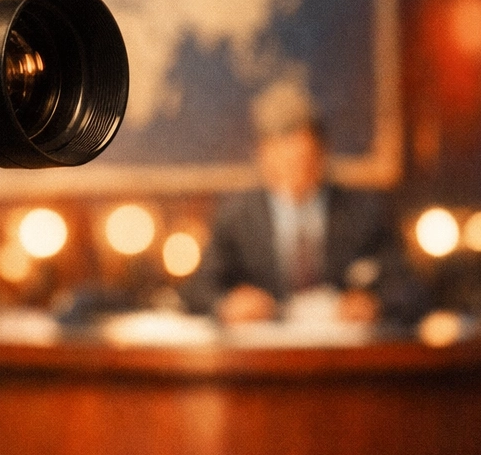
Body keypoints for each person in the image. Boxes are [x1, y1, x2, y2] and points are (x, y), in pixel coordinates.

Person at [183, 80, 426, 326]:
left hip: (341, 346)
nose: (296, 167)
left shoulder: (363, 213)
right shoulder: (237, 217)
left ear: (322, 152)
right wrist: (228, 305)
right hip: (264, 346)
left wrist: (374, 303)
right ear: (263, 156)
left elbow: (408, 288)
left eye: (304, 157)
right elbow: (198, 289)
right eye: (284, 157)